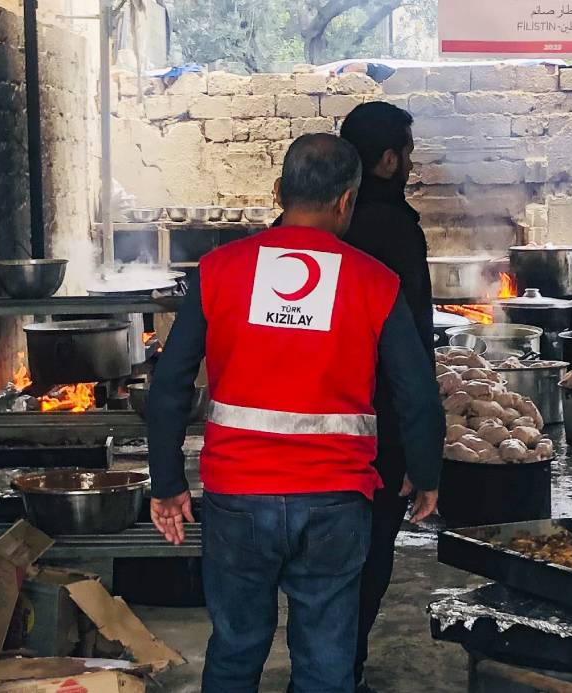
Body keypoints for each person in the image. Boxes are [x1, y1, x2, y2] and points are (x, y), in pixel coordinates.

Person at [146, 133, 443, 693]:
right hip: (335, 502)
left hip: (237, 498)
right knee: (326, 662)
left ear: (280, 191)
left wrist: (166, 483)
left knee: (234, 650)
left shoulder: (217, 270)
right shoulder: (376, 282)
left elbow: (169, 386)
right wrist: (426, 473)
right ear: (347, 202)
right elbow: (417, 391)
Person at [334, 101, 434, 693]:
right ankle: (341, 672)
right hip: (376, 424)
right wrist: (416, 450)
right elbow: (411, 346)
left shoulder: (323, 228)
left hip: (319, 418)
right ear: (390, 158)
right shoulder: (394, 228)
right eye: (408, 152)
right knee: (369, 554)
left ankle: (326, 667)